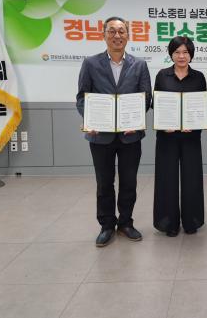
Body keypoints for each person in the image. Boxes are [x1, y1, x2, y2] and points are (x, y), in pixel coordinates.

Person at [76, 16, 151, 247]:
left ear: (128, 35)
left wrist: (136, 120)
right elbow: (82, 98)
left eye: (121, 31)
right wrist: (89, 120)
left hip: (131, 135)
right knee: (104, 183)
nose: (117, 35)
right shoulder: (90, 63)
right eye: (112, 31)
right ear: (104, 35)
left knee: (129, 182)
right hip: (100, 136)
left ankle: (126, 222)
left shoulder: (139, 64)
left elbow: (146, 98)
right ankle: (107, 225)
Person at [153, 36, 206, 236]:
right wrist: (163, 124)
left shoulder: (199, 77)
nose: (181, 56)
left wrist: (195, 123)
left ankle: (192, 221)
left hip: (191, 137)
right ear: (171, 54)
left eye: (185, 52)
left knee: (192, 178)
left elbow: (201, 105)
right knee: (166, 178)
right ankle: (169, 223)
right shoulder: (162, 75)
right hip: (167, 137)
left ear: (191, 55)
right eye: (177, 52)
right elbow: (156, 104)